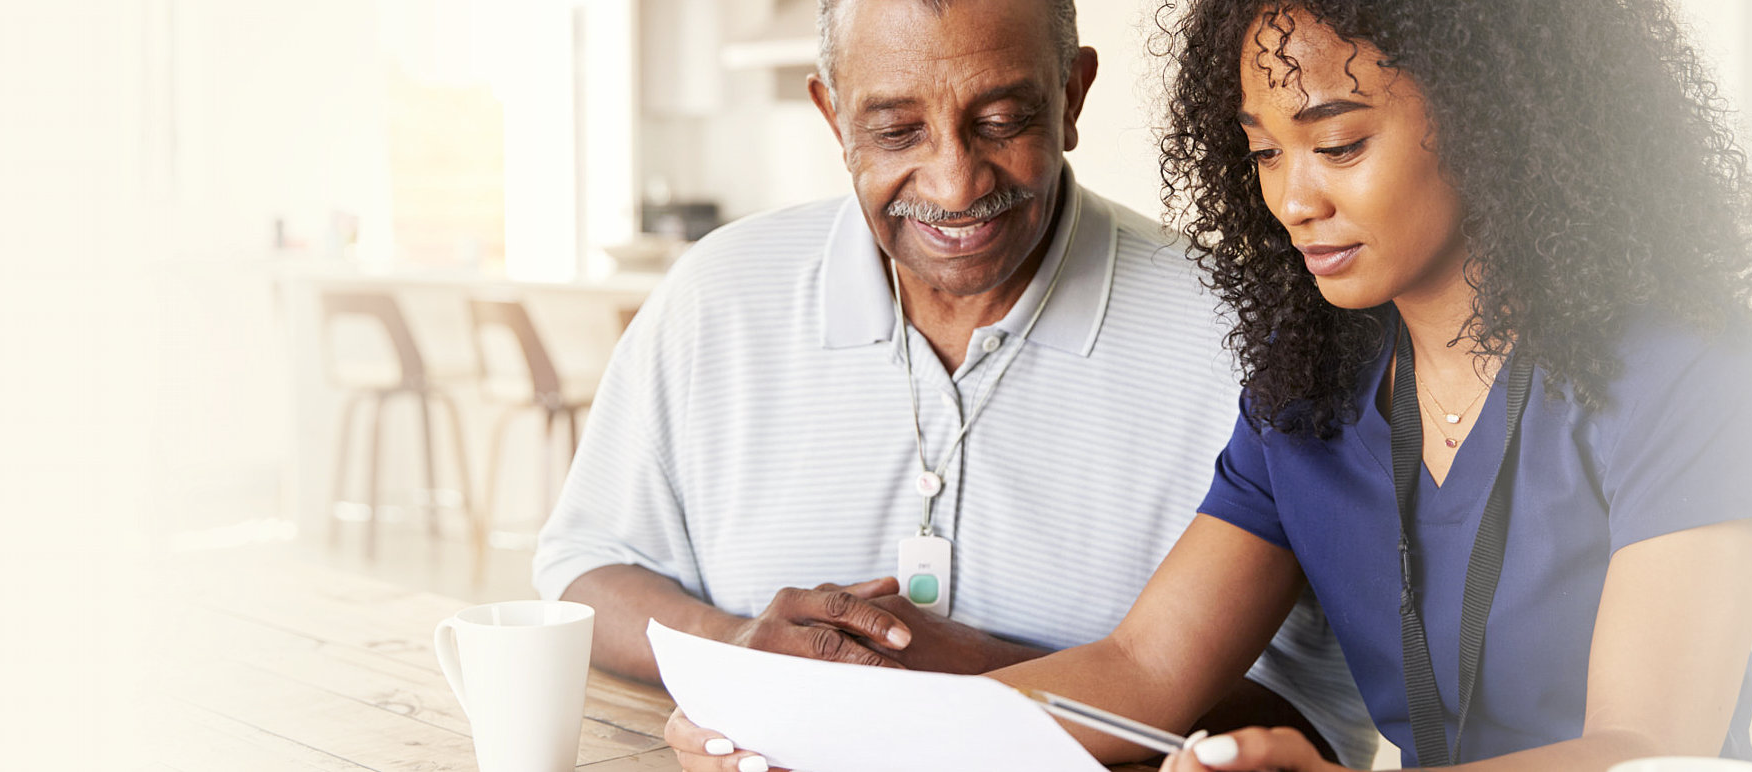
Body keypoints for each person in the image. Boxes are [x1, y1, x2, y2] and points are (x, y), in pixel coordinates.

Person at [665, 0, 1752, 769]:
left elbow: (1647, 745)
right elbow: (1140, 669)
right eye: (1263, 151)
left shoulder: (1687, 367)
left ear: (1498, 122)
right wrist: (812, 728)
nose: (1292, 197)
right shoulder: (1309, 387)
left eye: (1339, 142)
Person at [537, 0, 1376, 768]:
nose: (955, 183)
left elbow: (1306, 725)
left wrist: (946, 685)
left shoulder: (1248, 336)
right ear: (834, 118)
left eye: (1004, 120)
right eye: (897, 130)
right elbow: (585, 566)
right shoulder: (713, 293)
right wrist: (742, 656)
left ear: (1073, 96)